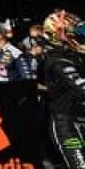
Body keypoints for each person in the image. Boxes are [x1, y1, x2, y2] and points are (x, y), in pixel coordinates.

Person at [42, 10, 85, 169]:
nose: (79, 38)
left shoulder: (75, 56)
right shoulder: (57, 61)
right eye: (74, 34)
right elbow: (81, 87)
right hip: (67, 125)